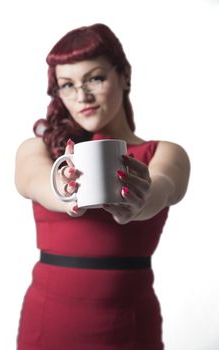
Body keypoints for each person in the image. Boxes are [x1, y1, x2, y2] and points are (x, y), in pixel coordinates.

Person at [15, 23, 190, 350]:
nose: (82, 96)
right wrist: (64, 189)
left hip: (130, 323)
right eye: (67, 85)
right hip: (48, 320)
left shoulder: (165, 153)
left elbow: (163, 187)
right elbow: (35, 181)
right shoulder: (38, 149)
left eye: (95, 78)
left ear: (124, 76)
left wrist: (140, 200)